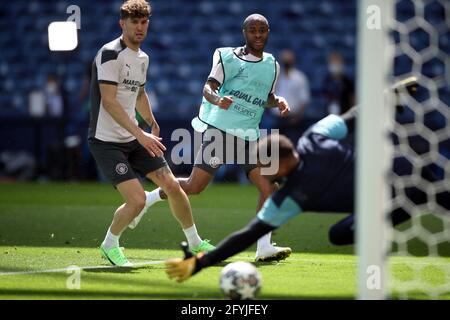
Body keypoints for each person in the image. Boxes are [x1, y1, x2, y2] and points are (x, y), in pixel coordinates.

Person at [165, 81, 450, 282]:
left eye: (265, 166)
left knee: (342, 234)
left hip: (400, 192)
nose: (261, 171)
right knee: (338, 234)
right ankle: (424, 196)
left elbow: (246, 236)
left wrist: (200, 263)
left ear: (277, 163)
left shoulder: (289, 198)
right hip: (411, 169)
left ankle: (419, 199)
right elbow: (354, 116)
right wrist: (392, 94)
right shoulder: (315, 136)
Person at [129, 13, 293, 262]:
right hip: (221, 131)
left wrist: (278, 101)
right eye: (253, 30)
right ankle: (148, 199)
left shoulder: (272, 64)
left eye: (262, 30)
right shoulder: (227, 57)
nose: (258, 35)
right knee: (195, 186)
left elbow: (265, 97)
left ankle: (263, 247)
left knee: (269, 187)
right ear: (244, 33)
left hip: (250, 135)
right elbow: (208, 87)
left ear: (268, 32)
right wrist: (218, 99)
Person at [88, 0, 214, 267]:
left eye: (144, 22)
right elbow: (109, 102)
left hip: (134, 137)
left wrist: (152, 122)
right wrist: (141, 133)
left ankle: (195, 243)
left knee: (173, 186)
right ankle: (110, 244)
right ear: (122, 23)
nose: (140, 27)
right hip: (106, 141)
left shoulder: (143, 58)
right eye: (134, 22)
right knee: (136, 201)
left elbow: (139, 93)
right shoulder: (110, 53)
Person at [269, 49, 311, 143]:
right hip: (277, 118)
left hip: (292, 119)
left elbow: (304, 99)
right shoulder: (276, 77)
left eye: (288, 60)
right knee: (275, 148)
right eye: (284, 60)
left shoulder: (300, 78)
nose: (285, 63)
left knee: (291, 145)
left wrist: (298, 116)